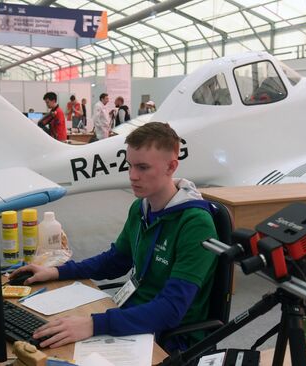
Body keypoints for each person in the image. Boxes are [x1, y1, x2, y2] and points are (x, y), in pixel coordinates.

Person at [11, 122, 218, 352]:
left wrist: (95, 324)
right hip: (134, 316)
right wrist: (57, 272)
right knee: (54, 336)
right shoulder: (141, 207)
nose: (132, 176)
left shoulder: (195, 223)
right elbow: (114, 260)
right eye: (129, 165)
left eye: (142, 167)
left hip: (170, 336)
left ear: (171, 167)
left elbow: (171, 309)